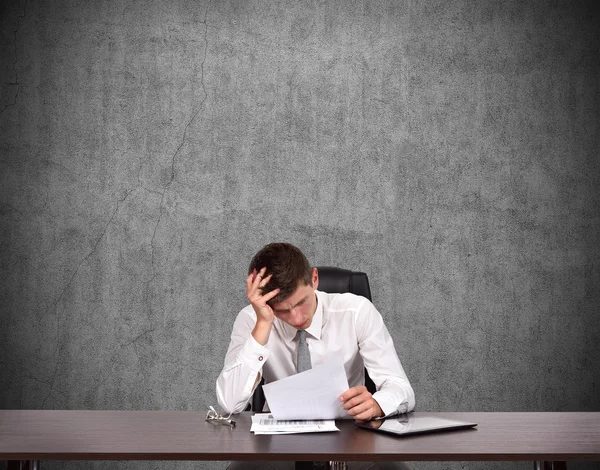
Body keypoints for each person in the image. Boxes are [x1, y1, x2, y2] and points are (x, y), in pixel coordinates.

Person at [216, 242, 415, 470]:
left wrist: (377, 404)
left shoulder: (356, 311)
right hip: (277, 440)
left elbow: (402, 389)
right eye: (281, 310)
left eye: (301, 302)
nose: (297, 318)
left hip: (350, 437)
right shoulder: (251, 320)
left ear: (314, 279)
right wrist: (263, 324)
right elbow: (230, 404)